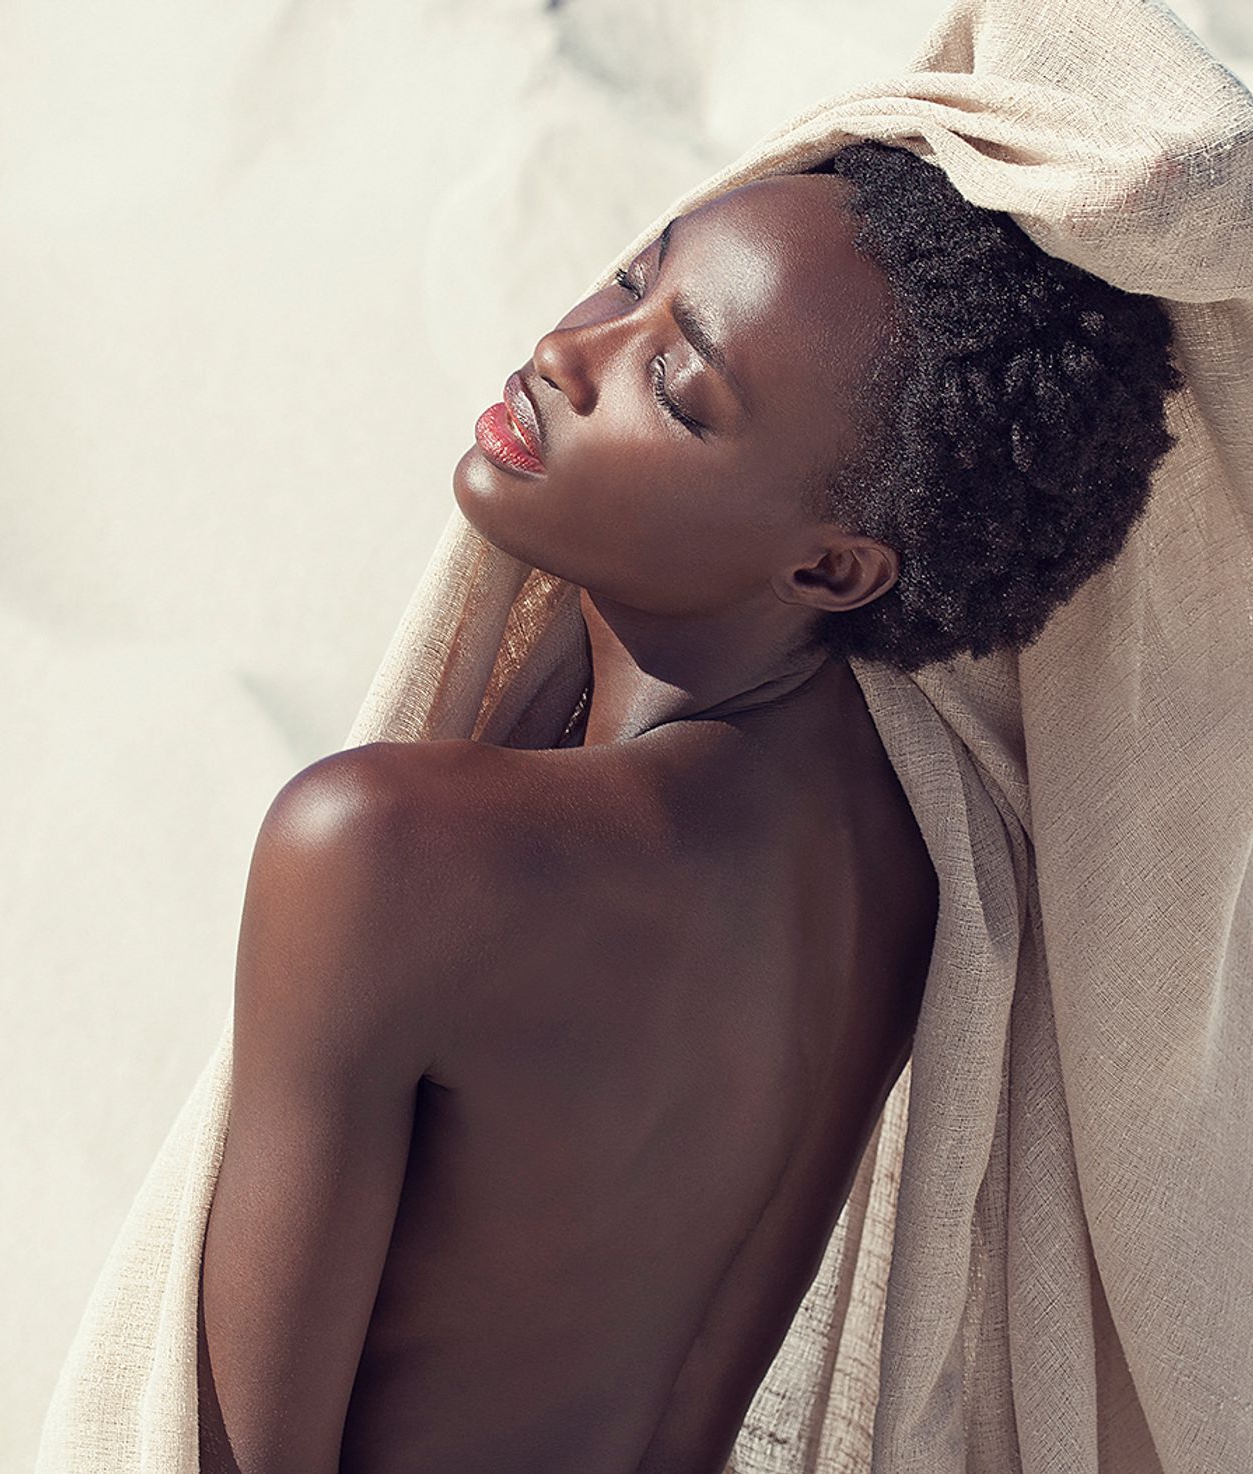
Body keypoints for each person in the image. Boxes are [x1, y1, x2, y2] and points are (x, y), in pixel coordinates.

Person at [194, 140, 1185, 1474]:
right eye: (629, 276)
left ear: (832, 563)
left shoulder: (390, 855)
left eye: (675, 382)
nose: (568, 351)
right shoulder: (923, 866)